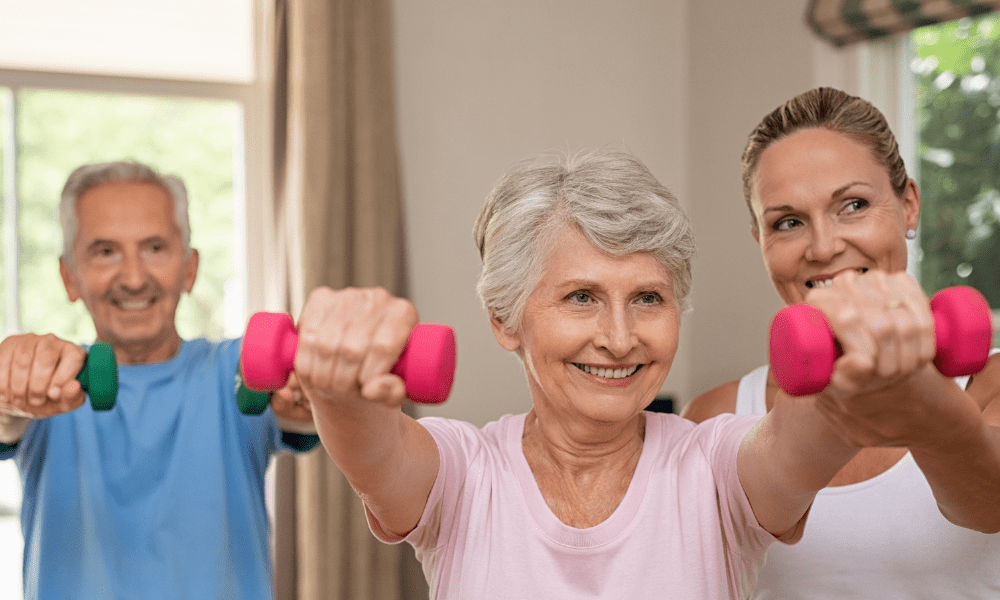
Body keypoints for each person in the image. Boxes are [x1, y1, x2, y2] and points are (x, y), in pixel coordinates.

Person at [285, 146, 978, 599]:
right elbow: (373, 448)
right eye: (581, 297)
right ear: (505, 319)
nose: (619, 339)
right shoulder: (464, 475)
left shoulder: (715, 467)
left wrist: (860, 346)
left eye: (648, 298)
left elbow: (815, 426)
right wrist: (335, 378)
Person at [683, 87, 1000, 598]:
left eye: (853, 205)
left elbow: (989, 505)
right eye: (788, 222)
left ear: (909, 205)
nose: (825, 247)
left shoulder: (989, 382)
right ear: (759, 241)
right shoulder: (715, 414)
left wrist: (923, 404)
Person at [0, 161, 319, 600]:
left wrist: (314, 397)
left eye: (154, 248)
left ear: (189, 269)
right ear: (69, 276)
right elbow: (6, 422)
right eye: (105, 252)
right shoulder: (45, 383)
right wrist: (8, 397)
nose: (133, 278)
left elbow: (303, 419)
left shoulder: (237, 370)